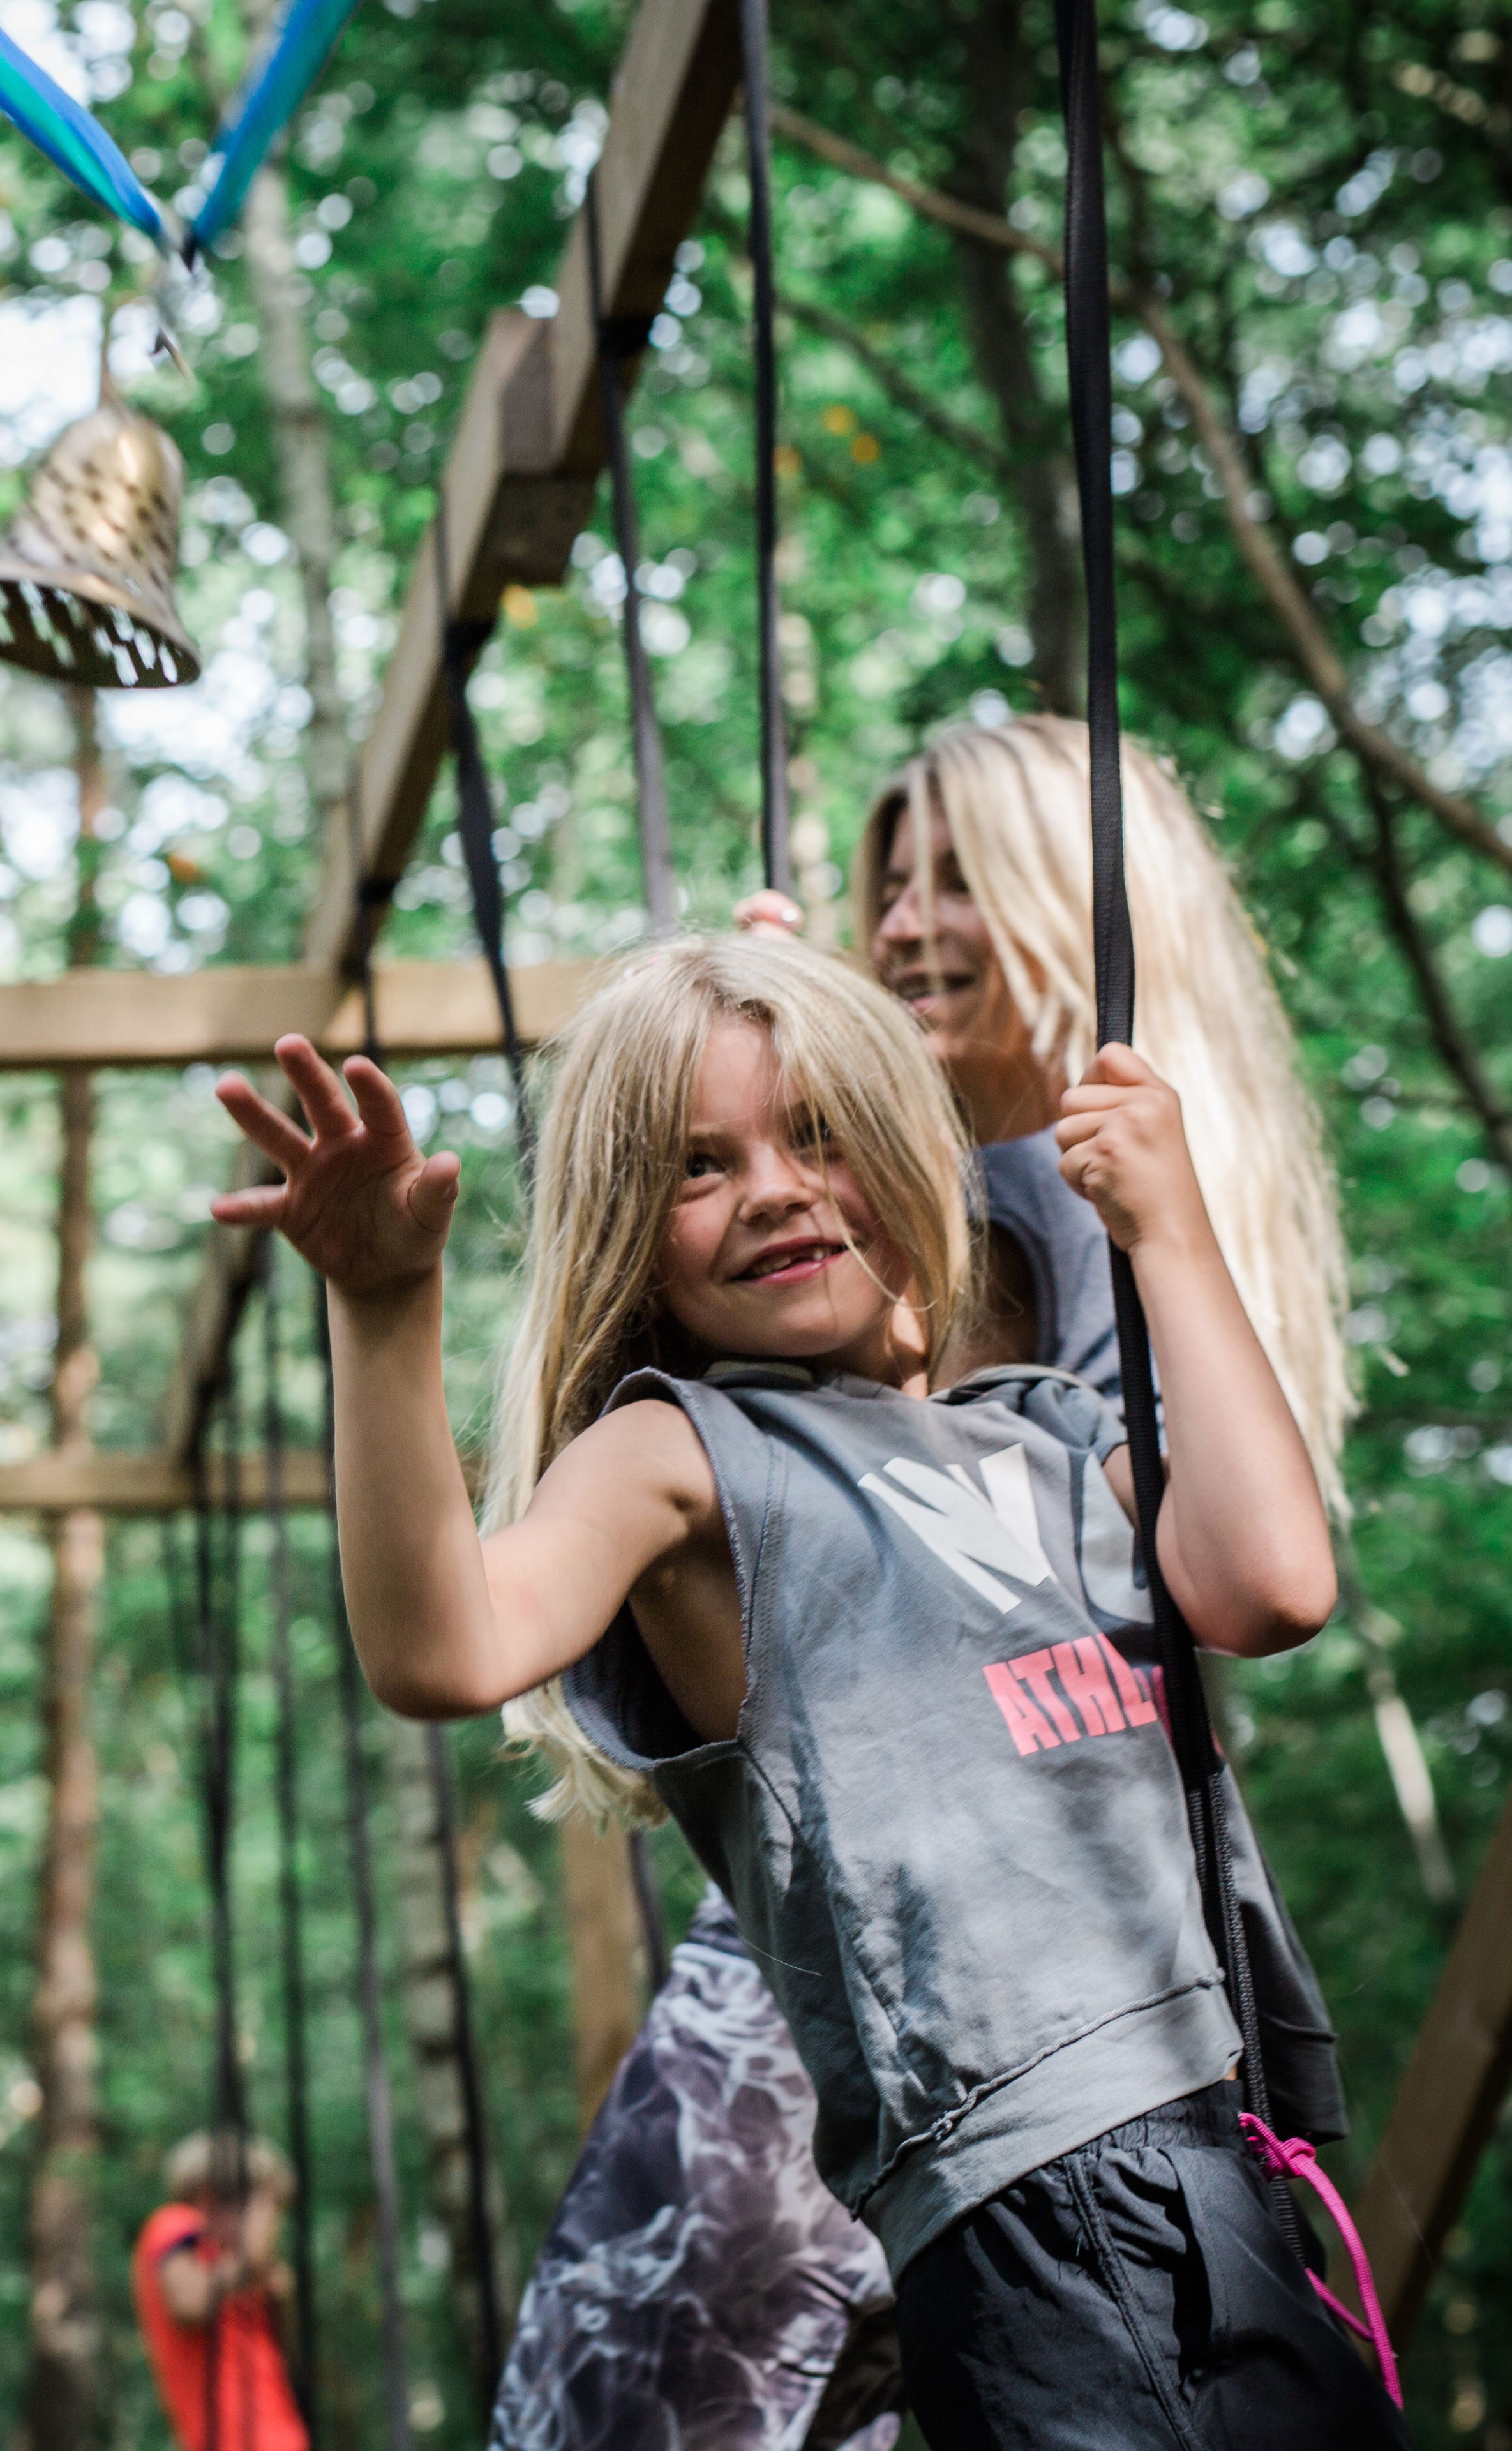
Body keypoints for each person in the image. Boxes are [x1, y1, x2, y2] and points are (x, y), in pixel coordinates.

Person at [211, 934, 1405, 2446]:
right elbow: (439, 1648)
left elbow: (1269, 1581)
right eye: (696, 1166)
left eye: (820, 1131)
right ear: (626, 1239)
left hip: (1222, 2158)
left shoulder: (1041, 1439)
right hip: (1034, 2187)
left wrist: (1167, 1231)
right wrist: (384, 1311)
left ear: (909, 1147)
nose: (773, 1185)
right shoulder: (686, 1456)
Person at [491, 716, 1362, 2451]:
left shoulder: (1084, 1196)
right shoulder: (1096, 1191)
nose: (905, 923)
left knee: (640, 2390)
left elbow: (954, 1433)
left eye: (957, 879)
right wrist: (771, 1050)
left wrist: (794, 1080)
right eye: (890, 884)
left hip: (986, 1925)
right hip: (996, 1925)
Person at [131, 2132, 311, 2451]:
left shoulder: (228, 2269)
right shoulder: (174, 2225)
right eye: (255, 2204)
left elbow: (289, 2362)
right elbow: (189, 2305)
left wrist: (280, 2299)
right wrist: (268, 2193)